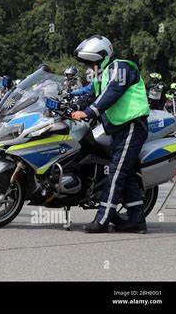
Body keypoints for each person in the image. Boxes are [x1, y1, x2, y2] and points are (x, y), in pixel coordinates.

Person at [71, 35, 150, 234]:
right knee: (127, 172)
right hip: (119, 128)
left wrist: (88, 112)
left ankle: (102, 220)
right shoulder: (103, 75)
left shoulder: (121, 68)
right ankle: (137, 220)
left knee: (115, 172)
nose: (90, 67)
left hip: (132, 125)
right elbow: (91, 95)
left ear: (103, 58)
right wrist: (70, 104)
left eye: (92, 62)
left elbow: (112, 93)